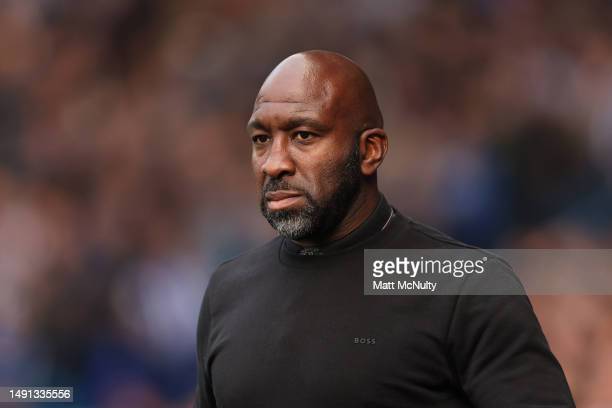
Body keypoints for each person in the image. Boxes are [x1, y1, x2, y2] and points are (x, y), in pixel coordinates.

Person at [194, 50, 575, 407]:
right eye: (261, 140)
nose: (274, 163)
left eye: (303, 136)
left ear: (370, 150)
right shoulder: (228, 291)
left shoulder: (462, 285)